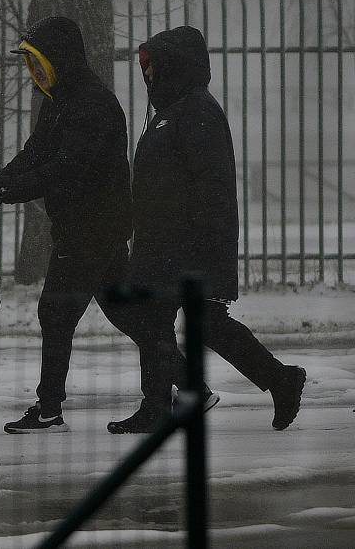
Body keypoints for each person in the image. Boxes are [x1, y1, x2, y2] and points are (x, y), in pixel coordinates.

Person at [0, 16, 213, 434]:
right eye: (31, 64)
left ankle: (49, 409)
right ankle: (192, 388)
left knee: (55, 313)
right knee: (128, 314)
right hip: (91, 228)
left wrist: (3, 191)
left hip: (93, 228)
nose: (35, 72)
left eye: (39, 61)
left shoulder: (93, 105)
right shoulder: (59, 102)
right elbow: (33, 156)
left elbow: (63, 171)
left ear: (59, 59)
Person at [106, 25, 306, 434]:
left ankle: (281, 379)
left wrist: (209, 254)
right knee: (157, 322)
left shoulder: (196, 112)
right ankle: (159, 403)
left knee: (201, 323)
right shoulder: (170, 113)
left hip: (188, 246)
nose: (147, 75)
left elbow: (213, 189)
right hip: (163, 244)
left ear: (174, 66)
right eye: (145, 67)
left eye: (153, 66)